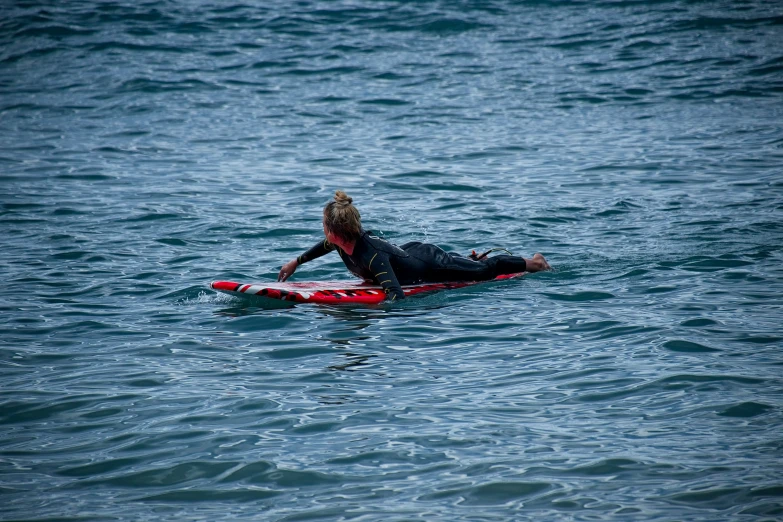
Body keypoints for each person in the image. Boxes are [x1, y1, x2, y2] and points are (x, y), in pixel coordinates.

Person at [278, 191, 551, 301]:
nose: (323, 231)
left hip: (429, 265)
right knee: (468, 265)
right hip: (409, 255)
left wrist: (370, 309)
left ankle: (534, 262)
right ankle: (470, 260)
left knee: (484, 272)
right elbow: (322, 247)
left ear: (336, 231)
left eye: (324, 225)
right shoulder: (340, 242)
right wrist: (296, 262)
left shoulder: (373, 258)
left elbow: (396, 296)